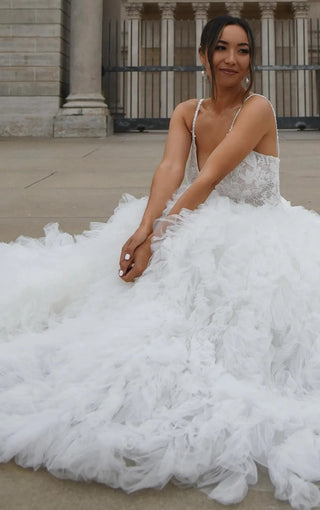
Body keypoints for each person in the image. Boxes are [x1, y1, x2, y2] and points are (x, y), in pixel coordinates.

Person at [0, 14, 320, 510]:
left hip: (252, 231)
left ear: (252, 60)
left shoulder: (259, 109)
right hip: (198, 218)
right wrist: (144, 227)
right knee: (134, 303)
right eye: (221, 48)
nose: (232, 59)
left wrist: (163, 235)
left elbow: (209, 175)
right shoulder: (187, 111)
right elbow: (172, 168)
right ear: (203, 55)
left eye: (242, 50)